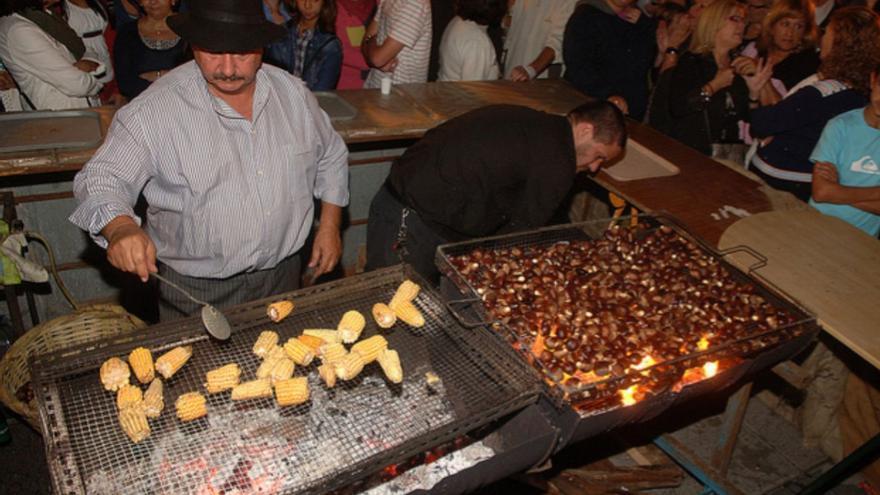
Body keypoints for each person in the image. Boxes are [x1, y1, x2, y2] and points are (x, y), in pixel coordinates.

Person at [69, 0, 349, 321]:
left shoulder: (293, 95)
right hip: (196, 291)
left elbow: (331, 154)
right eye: (213, 52)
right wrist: (119, 228)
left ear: (261, 46)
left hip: (283, 276)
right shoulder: (155, 110)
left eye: (242, 53)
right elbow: (101, 178)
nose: (227, 69)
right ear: (192, 46)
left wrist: (329, 225)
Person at [365, 101, 627, 283]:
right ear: (584, 131)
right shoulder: (558, 159)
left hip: (402, 198)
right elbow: (520, 233)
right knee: (392, 310)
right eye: (599, 156)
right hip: (410, 221)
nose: (594, 167)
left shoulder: (535, 123)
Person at [749, 7, 880, 201]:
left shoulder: (826, 92)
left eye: (827, 32)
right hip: (802, 185)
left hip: (779, 187)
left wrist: (754, 100)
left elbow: (762, 124)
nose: (821, 37)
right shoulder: (864, 93)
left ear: (839, 42)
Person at [666, 0, 769, 157]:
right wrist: (714, 85)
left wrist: (754, 95)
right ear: (714, 23)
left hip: (728, 155)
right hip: (692, 153)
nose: (742, 26)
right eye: (735, 19)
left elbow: (755, 128)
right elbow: (679, 107)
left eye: (743, 20)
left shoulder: (738, 65)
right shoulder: (692, 61)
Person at [809, 64, 880, 237]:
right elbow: (821, 193)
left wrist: (839, 190)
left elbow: (829, 192)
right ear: (872, 80)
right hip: (817, 224)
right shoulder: (840, 126)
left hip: (861, 240)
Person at [562, 0, 658, 120]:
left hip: (629, 113)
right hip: (591, 109)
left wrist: (645, 25)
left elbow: (647, 64)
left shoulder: (640, 20)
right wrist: (607, 95)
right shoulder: (586, 16)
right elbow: (578, 66)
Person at [0, 0, 103, 109]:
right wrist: (94, 79)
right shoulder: (19, 29)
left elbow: (85, 49)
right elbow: (77, 85)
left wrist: (88, 63)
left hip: (76, 108)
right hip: (63, 114)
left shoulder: (43, 15)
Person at [741, 0, 820, 104]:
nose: (790, 33)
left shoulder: (808, 63)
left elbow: (785, 111)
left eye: (799, 26)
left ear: (805, 32)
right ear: (772, 26)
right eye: (785, 24)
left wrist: (763, 78)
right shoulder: (754, 49)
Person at [113, 0, 189, 99]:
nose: (153, 1)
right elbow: (125, 82)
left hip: (185, 101)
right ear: (140, 2)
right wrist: (169, 75)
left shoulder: (190, 29)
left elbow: (196, 75)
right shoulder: (126, 32)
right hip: (141, 103)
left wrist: (157, 75)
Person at [264, 0, 343, 90]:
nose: (307, 5)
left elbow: (322, 91)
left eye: (315, 0)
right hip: (281, 98)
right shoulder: (280, 34)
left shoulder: (330, 46)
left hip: (311, 100)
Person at [362, 0, 431, 87]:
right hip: (377, 86)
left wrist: (371, 44)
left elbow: (377, 59)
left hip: (402, 94)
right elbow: (366, 43)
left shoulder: (416, 3)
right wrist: (373, 52)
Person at [503, 0, 577, 81]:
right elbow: (511, 30)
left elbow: (556, 44)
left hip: (541, 79)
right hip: (512, 73)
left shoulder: (567, 2)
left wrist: (530, 70)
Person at [437, 0, 506, 81]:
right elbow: (473, 89)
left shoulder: (458, 21)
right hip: (455, 92)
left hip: (446, 89)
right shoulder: (477, 42)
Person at [334, 0, 375, 88]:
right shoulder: (331, 8)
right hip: (345, 86)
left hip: (377, 82)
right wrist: (377, 59)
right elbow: (332, 50)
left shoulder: (381, 5)